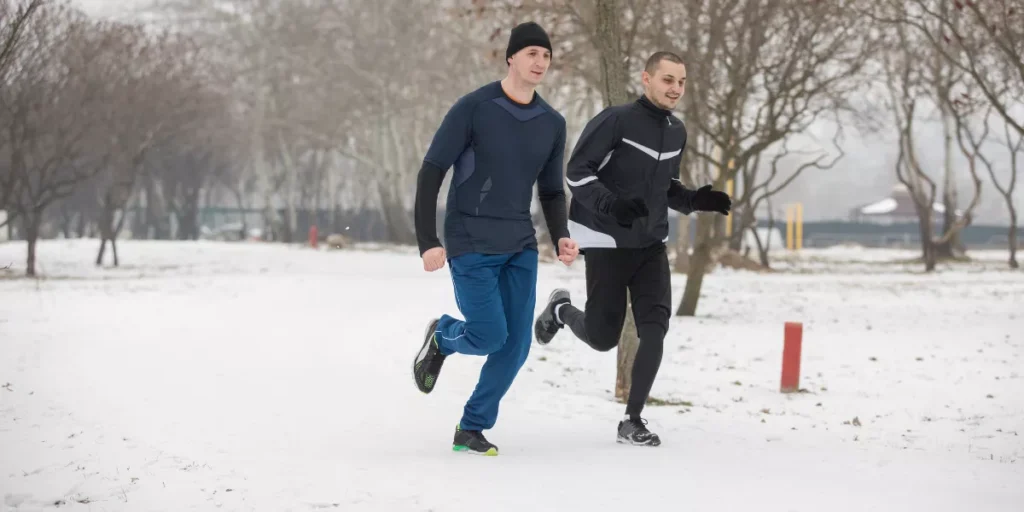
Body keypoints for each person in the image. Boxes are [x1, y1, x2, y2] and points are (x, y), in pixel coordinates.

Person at [532, 51, 732, 447]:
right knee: (603, 337)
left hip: (650, 244)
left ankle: (632, 419)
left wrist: (694, 200)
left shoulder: (676, 131)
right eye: (668, 80)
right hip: (606, 240)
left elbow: (665, 188)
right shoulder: (616, 120)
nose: (675, 88)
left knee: (655, 329)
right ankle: (560, 309)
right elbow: (577, 173)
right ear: (646, 79)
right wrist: (612, 205)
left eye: (681, 82)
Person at [411, 21, 579, 457]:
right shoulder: (474, 108)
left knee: (516, 344)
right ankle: (443, 336)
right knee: (488, 336)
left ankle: (471, 427)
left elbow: (551, 190)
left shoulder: (552, 123)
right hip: (469, 238)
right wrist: (428, 240)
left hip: (519, 243)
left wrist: (561, 234)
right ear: (511, 57)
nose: (540, 62)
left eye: (546, 55)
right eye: (532, 53)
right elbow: (432, 170)